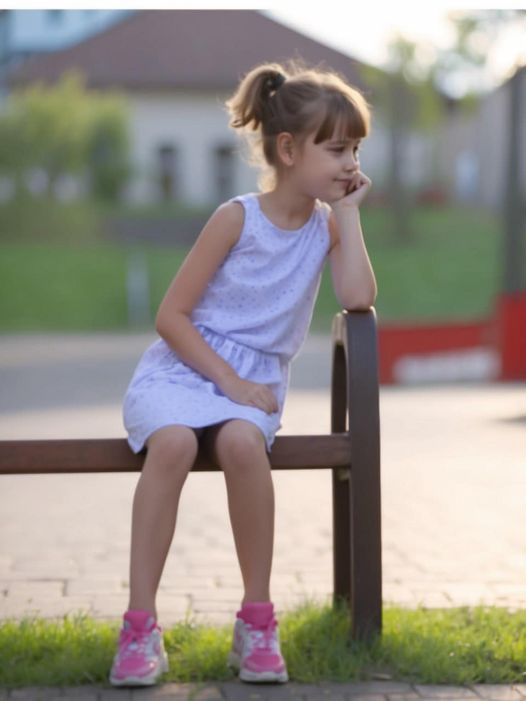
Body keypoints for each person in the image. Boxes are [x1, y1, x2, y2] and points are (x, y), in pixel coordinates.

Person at [109, 59, 377, 687]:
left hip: (250, 387)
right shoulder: (236, 218)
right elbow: (170, 316)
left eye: (356, 148)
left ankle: (256, 622)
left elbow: (359, 298)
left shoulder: (326, 228)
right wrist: (226, 382)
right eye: (336, 148)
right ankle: (140, 627)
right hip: (183, 370)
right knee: (173, 442)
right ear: (288, 149)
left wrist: (351, 215)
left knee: (239, 442)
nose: (349, 161)